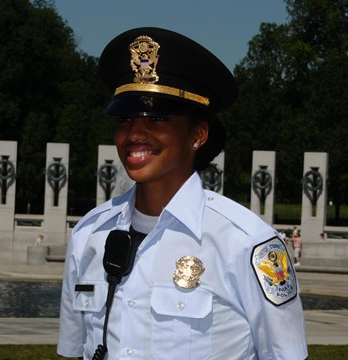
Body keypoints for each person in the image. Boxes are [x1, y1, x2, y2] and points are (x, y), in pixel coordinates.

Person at [57, 27, 307, 359]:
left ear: (198, 135)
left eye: (157, 118)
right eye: (125, 119)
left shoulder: (246, 243)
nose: (135, 133)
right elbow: (76, 351)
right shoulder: (89, 234)